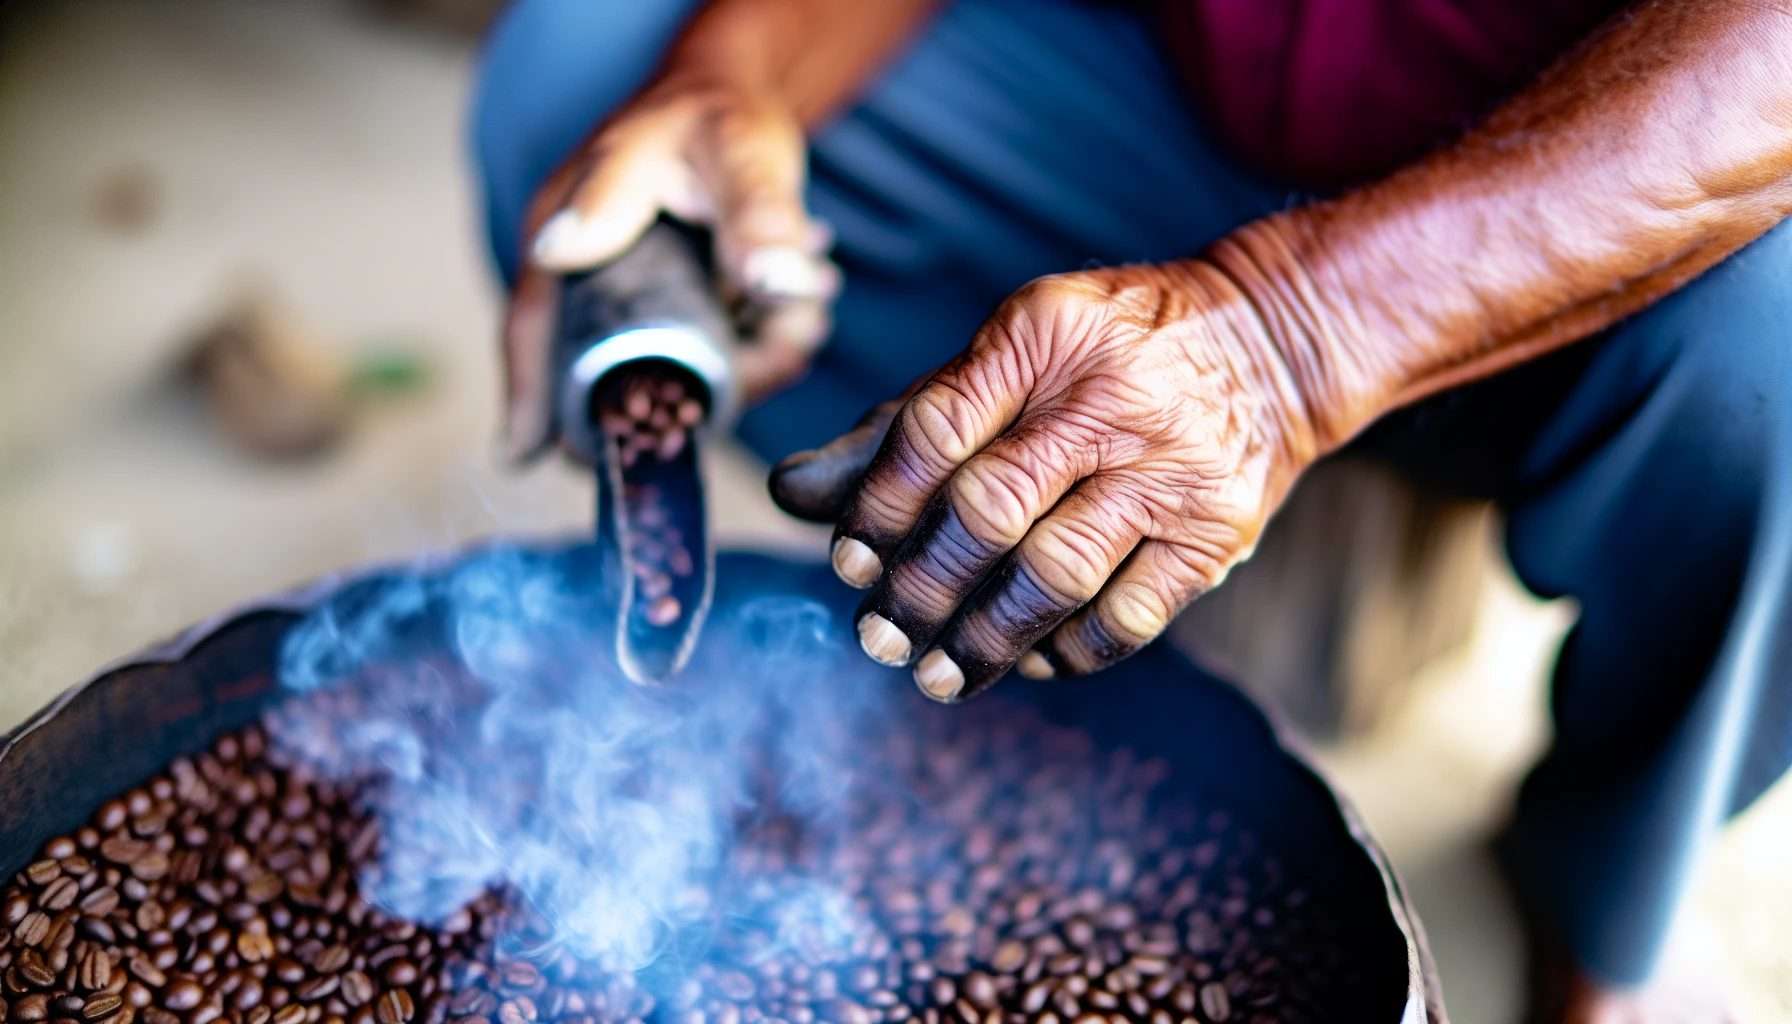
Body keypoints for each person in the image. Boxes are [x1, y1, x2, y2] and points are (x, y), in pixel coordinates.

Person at [471, 1, 1791, 1020]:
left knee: (1774, 361)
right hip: (1141, 110)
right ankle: (1030, 553)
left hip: (1596, 191)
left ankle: (1609, 903)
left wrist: (1290, 341)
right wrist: (738, 74)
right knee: (591, 72)